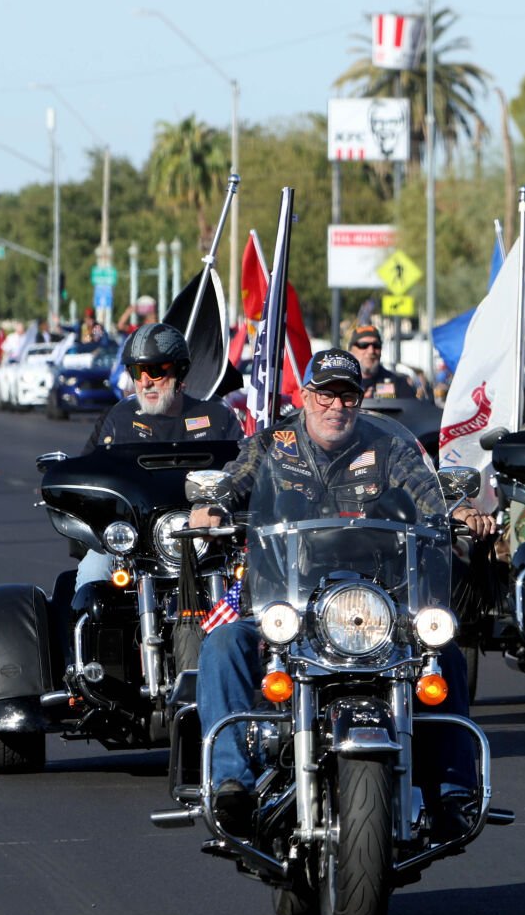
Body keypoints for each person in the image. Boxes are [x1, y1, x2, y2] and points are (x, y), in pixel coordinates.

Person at [187, 350, 497, 831]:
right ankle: (232, 783)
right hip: (285, 602)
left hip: (373, 607)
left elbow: (425, 491)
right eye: (326, 393)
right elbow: (237, 480)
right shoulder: (274, 444)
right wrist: (214, 506)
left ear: (359, 400)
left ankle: (454, 791)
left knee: (445, 655)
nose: (337, 405)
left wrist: (455, 514)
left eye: (347, 395)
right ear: (306, 396)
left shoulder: (387, 449)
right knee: (222, 645)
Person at [74, 324, 246, 597]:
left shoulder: (216, 416)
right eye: (136, 371)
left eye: (155, 370)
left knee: (255, 571)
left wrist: (222, 506)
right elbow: (88, 472)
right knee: (93, 572)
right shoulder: (116, 419)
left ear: (179, 371)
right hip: (134, 537)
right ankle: (84, 637)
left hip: (209, 535)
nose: (145, 381)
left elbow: (244, 468)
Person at [346, 324, 420, 399]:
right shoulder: (342, 383)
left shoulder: (398, 384)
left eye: (376, 345)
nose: (371, 351)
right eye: (363, 345)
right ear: (351, 350)